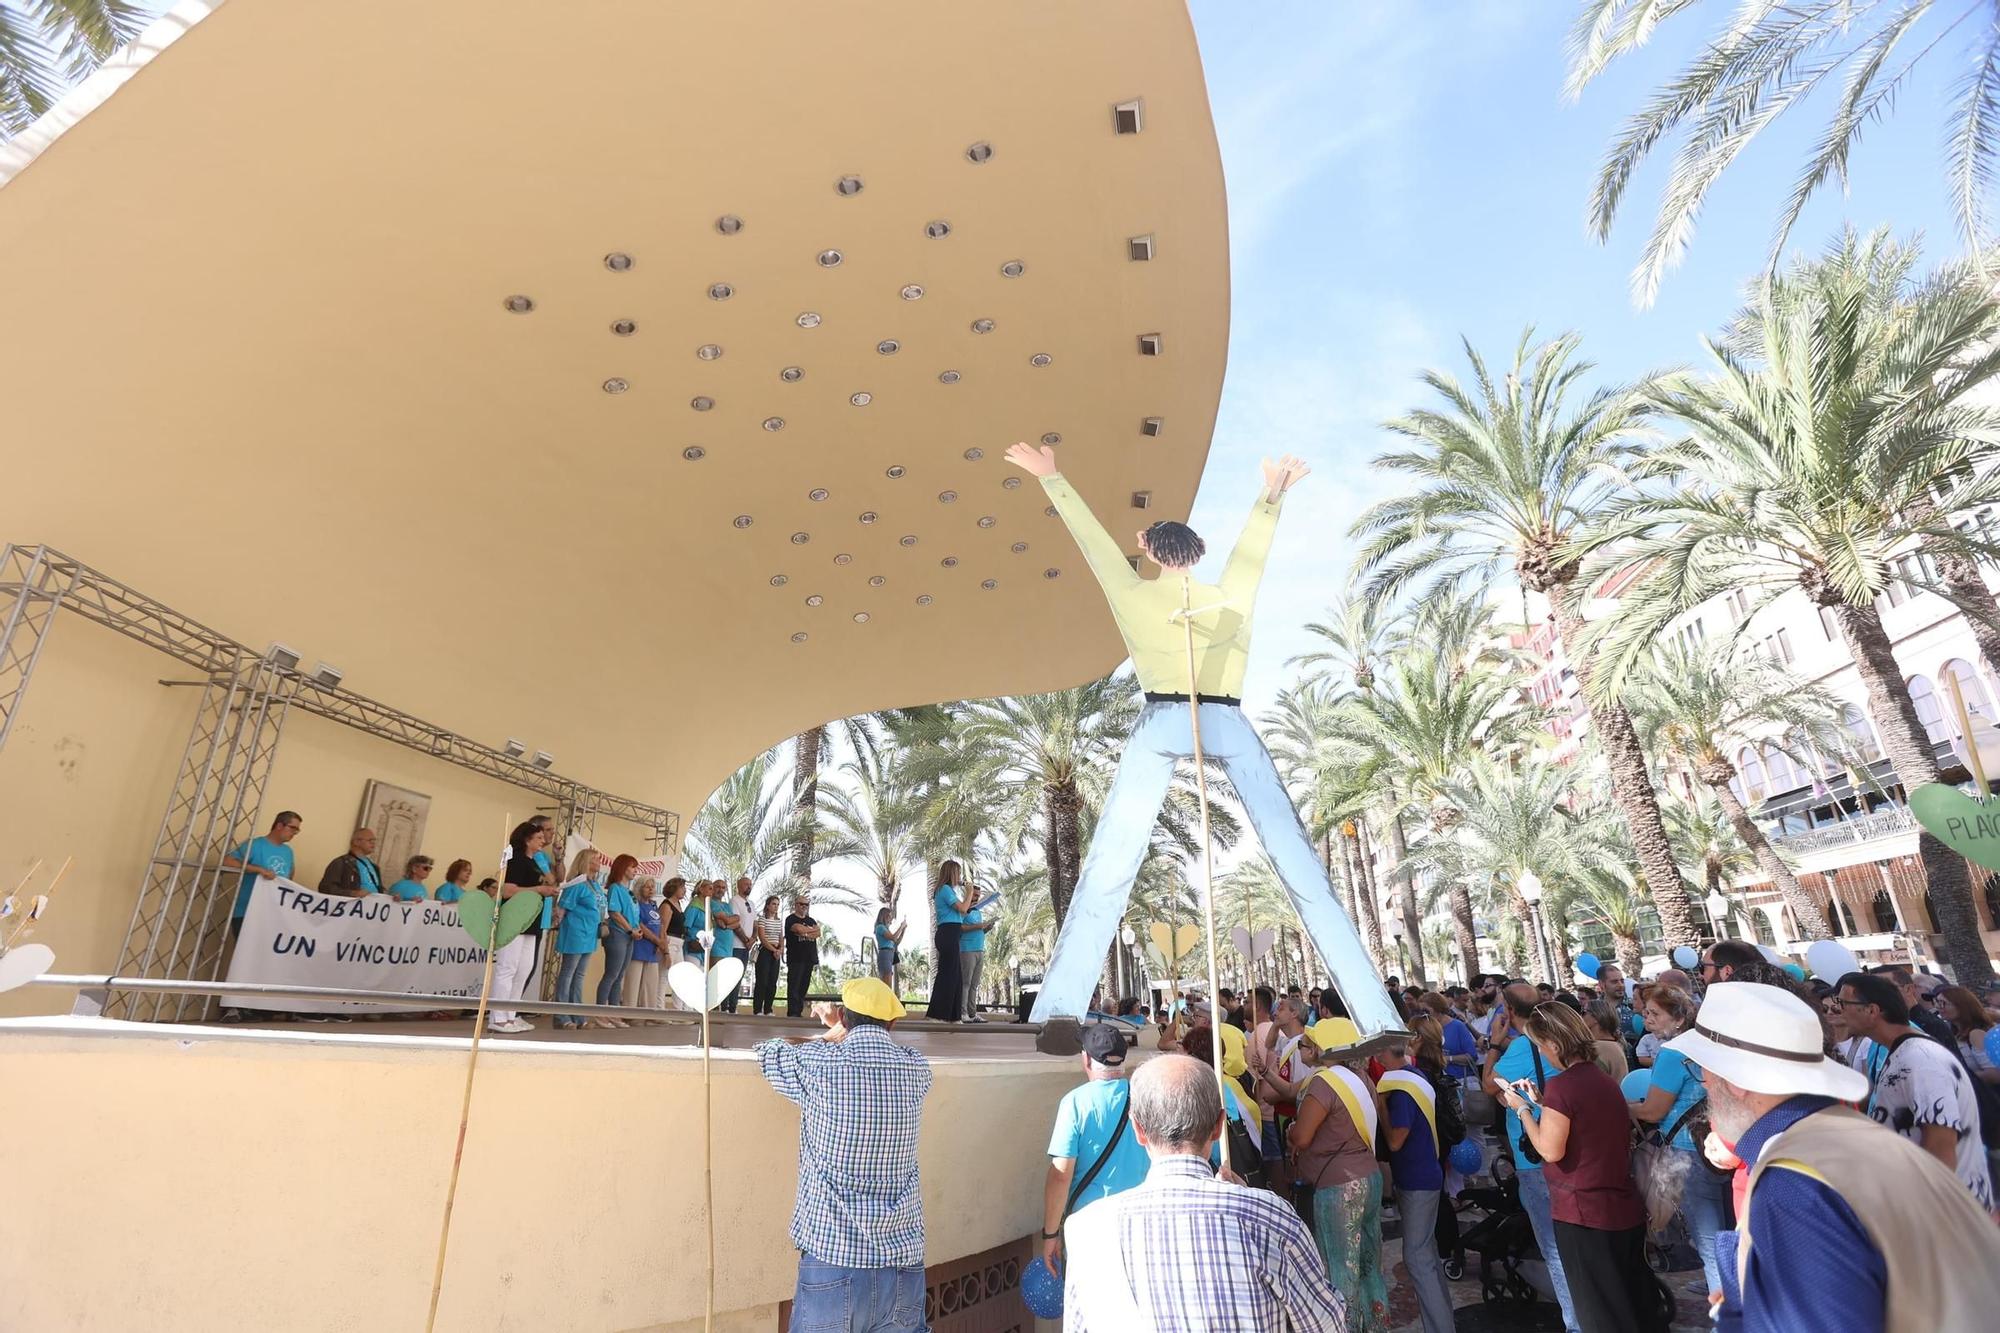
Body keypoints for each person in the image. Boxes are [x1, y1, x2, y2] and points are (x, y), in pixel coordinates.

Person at [1007, 442, 1396, 1039]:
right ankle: (1377, 1015)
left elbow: (1095, 550)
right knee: (1302, 868)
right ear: (1198, 552)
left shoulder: (1136, 594)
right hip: (1229, 717)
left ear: (1147, 549)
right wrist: (1272, 496)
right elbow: (1251, 555)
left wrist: (1053, 478)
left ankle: (1057, 1009)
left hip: (1163, 717)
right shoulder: (1228, 595)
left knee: (1110, 864)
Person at [1672, 982, 2000, 1332]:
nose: (1705, 1085)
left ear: (1736, 1080)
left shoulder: (1792, 1183)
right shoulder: (1842, 1131)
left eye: (1703, 1071)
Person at [1063, 1054, 1345, 1332]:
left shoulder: (1087, 1230)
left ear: (1138, 1129)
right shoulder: (1271, 1216)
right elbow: (1326, 1324)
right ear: (1218, 1125)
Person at [754, 978, 931, 1332]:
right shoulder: (916, 1070)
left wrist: (829, 1035)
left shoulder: (818, 1064)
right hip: (903, 1267)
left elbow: (766, 1051)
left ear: (844, 1019)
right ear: (892, 1023)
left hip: (833, 1263)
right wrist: (844, 1030)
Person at [1498, 1001, 1668, 1333]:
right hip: (1618, 1206)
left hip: (1584, 1211)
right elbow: (1582, 1122)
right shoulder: (1599, 1077)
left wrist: (1522, 1110)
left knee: (1599, 1311)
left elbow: (1549, 1149)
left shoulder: (1564, 1084)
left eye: (1542, 1046)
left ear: (1555, 1044)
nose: (1543, 1054)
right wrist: (1543, 1104)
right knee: (1629, 1301)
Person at [1835, 971, 1995, 1209]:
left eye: (1843, 1003)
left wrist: (1926, 1217)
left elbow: (1941, 1148)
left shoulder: (1921, 1061)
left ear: (1871, 1011)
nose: (1837, 1011)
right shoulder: (1903, 1052)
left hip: (1949, 1216)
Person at [1482, 982, 1581, 1333]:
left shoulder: (1524, 1047)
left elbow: (1489, 1085)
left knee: (1555, 1249)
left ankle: (1576, 1323)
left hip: (1536, 1158)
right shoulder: (1559, 1039)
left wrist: (1494, 1044)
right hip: (1574, 1154)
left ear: (1508, 1011)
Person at [1626, 979, 1732, 1296]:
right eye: (1647, 1013)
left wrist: (1621, 1106)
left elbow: (1654, 1111)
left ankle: (1726, 1311)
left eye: (1656, 1014)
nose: (1649, 1020)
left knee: (1708, 1238)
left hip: (1688, 1151)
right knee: (1727, 1231)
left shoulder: (1672, 1053)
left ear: (1679, 1018)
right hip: (1721, 1144)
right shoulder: (1710, 1043)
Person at [1287, 1017, 1386, 1331]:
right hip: (1369, 1178)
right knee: (1370, 1265)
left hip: (1339, 1186)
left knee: (1339, 1267)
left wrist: (1291, 1130)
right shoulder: (1362, 1078)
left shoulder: (1325, 1082)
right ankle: (1377, 1325)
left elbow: (1302, 1137)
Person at [1042, 1022, 1151, 1273]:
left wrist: (1050, 1235)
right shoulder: (1145, 1096)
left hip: (1090, 1226)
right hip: (1140, 1222)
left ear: (1086, 1060)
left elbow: (1060, 1176)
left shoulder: (1075, 1103)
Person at [1381, 1022, 1453, 1333]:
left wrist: (1380, 1107)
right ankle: (1444, 1320)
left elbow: (1396, 1140)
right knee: (1427, 1253)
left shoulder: (1399, 1089)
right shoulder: (1415, 1076)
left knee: (1417, 1258)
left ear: (1385, 1052)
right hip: (1426, 1173)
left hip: (1417, 1179)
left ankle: (1440, 1327)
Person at [489, 821, 560, 1034]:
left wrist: (548, 887)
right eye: (538, 838)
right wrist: (538, 889)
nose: (543, 841)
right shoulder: (515, 861)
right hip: (515, 920)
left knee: (524, 970)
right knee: (507, 968)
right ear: (526, 840)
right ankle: (497, 1017)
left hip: (532, 921)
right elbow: (507, 890)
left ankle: (511, 1015)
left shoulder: (535, 862)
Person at [553, 849, 607, 1032]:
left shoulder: (595, 885)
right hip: (575, 932)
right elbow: (562, 909)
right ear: (586, 862)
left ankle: (578, 1015)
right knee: (568, 973)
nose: (599, 862)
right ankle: (562, 1016)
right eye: (596, 860)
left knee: (579, 976)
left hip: (590, 934)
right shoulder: (576, 884)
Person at [221, 809, 301, 927]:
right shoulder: (255, 844)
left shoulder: (288, 851)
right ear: (279, 825)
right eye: (292, 828)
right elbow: (227, 862)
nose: (294, 832)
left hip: (273, 913)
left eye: (297, 830)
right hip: (247, 911)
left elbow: (289, 875)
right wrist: (258, 870)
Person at [593, 853, 640, 1025]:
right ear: (622, 868)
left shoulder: (629, 891)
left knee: (619, 976)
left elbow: (633, 914)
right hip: (618, 934)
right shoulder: (615, 888)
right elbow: (614, 912)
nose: (635, 870)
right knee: (611, 974)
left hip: (630, 935)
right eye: (632, 866)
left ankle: (614, 1012)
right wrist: (629, 930)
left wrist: (637, 929)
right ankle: (600, 1012)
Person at [1868, 964, 1958, 1048]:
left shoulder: (1929, 1025)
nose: (1877, 995)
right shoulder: (1886, 1026)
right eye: (1872, 990)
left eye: (1884, 988)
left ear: (1908, 989)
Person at [925, 860, 970, 1021]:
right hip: (947, 933)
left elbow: (962, 912)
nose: (959, 876)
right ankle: (936, 1014)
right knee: (947, 973)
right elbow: (963, 908)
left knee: (956, 975)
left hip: (952, 932)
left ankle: (953, 1015)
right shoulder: (944, 889)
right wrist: (970, 891)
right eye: (957, 872)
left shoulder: (949, 891)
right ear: (951, 873)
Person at [1939, 984, 2000, 1086]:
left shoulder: (1976, 1033)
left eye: (1943, 1003)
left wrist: (1961, 1077)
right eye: (1937, 1002)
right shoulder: (1955, 1032)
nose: (1939, 1007)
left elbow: (1995, 1074)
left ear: (1961, 1006)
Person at [622, 876, 663, 1013]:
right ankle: (630, 1014)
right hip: (639, 947)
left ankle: (649, 1014)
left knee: (650, 985)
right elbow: (640, 925)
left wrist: (660, 941)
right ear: (639, 888)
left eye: (652, 886)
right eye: (647, 886)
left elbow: (659, 924)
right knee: (632, 984)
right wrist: (657, 940)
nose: (651, 889)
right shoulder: (636, 904)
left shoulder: (653, 904)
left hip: (652, 950)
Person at [1420, 991, 1478, 1086]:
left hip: (1463, 1082)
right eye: (1422, 1012)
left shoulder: (1457, 1026)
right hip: (1443, 1084)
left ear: (1437, 1008)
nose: (1424, 1015)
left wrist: (1447, 1058)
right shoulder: (1429, 1029)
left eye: (1427, 1011)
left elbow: (1472, 1056)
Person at [958, 884, 995, 1022]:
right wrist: (978, 926)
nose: (976, 898)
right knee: (966, 983)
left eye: (978, 896)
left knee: (974, 984)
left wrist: (986, 928)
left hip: (980, 948)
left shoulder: (977, 911)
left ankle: (972, 1013)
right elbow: (960, 927)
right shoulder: (964, 909)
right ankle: (963, 1013)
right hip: (967, 949)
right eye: (974, 895)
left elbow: (978, 929)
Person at [316, 827, 382, 897]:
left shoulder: (374, 866)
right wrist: (352, 893)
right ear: (356, 842)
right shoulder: (341, 863)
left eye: (374, 841)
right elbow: (325, 888)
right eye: (370, 840)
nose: (373, 843)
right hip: (352, 906)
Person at [785, 894, 823, 1017]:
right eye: (801, 904)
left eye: (806, 904)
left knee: (804, 986)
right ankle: (793, 1012)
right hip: (796, 957)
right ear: (796, 905)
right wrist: (809, 931)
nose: (804, 907)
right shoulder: (790, 919)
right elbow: (798, 929)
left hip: (809, 958)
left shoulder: (811, 920)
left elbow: (818, 933)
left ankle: (799, 1011)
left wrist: (806, 931)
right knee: (794, 985)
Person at [752, 894, 785, 1016]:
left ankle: (768, 1009)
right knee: (762, 980)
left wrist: (780, 949)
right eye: (773, 904)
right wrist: (773, 950)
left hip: (776, 952)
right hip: (766, 951)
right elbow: (762, 937)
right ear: (767, 906)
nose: (775, 907)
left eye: (777, 904)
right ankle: (757, 1009)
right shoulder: (762, 919)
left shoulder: (779, 921)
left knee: (772, 981)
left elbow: (781, 937)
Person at [658, 877, 688, 1008]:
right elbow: (662, 930)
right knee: (663, 977)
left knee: (680, 978)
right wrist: (665, 952)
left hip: (679, 943)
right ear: (674, 888)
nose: (684, 890)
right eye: (681, 888)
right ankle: (659, 1009)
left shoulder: (679, 905)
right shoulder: (666, 905)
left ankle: (678, 1010)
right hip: (669, 942)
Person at [1584, 999, 1630, 1080]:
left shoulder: (1597, 1048)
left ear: (1596, 1018)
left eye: (1584, 1012)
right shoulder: (1616, 1044)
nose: (1580, 1016)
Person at [869, 907, 904, 991]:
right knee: (887, 985)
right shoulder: (880, 927)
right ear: (885, 916)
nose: (891, 919)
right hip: (885, 954)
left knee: (888, 982)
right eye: (890, 916)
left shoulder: (886, 929)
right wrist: (901, 926)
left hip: (889, 955)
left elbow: (896, 941)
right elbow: (893, 937)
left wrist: (903, 929)